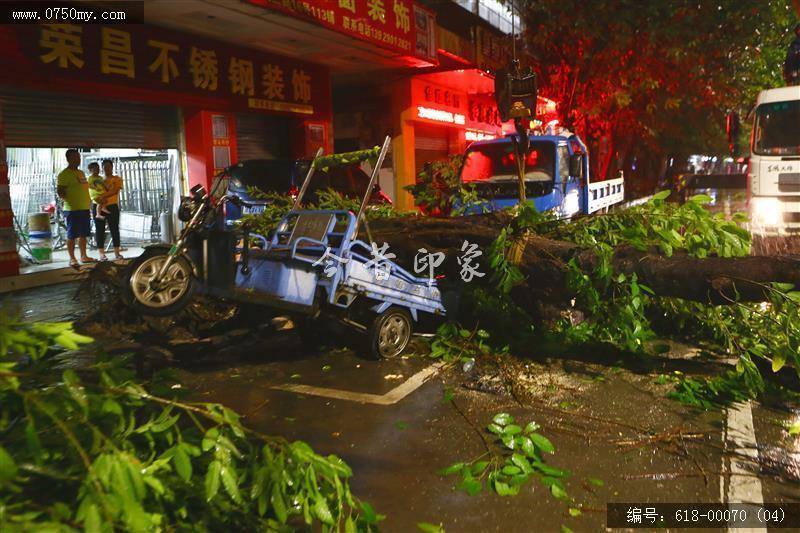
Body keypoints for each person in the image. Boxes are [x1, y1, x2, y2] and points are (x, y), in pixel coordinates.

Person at [56, 149, 94, 267]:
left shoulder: (81, 173)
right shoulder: (63, 174)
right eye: (74, 157)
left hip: (84, 208)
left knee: (83, 234)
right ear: (68, 159)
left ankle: (84, 256)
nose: (77, 159)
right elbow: (60, 191)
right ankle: (72, 258)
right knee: (72, 235)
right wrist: (68, 200)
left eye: (78, 157)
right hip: (72, 209)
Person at [96, 159, 124, 260]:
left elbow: (115, 191)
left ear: (112, 167)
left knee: (114, 229)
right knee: (100, 230)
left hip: (112, 206)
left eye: (108, 166)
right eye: (104, 167)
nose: (107, 168)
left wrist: (103, 195)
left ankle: (117, 253)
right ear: (102, 168)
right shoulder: (98, 180)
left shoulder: (117, 179)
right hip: (99, 206)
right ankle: (101, 254)